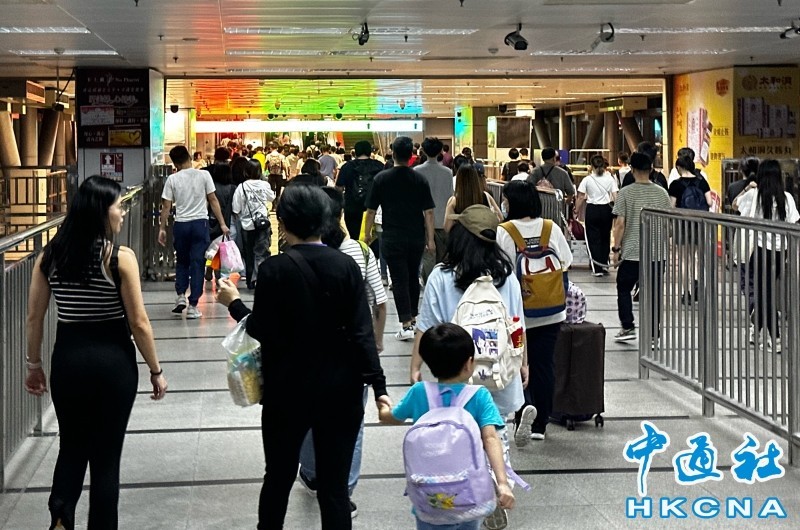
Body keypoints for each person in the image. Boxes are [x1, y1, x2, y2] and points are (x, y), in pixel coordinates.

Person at [216, 183, 388, 530]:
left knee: (278, 478)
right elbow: (362, 333)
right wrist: (379, 387)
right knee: (334, 488)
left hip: (286, 391)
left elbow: (261, 330)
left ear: (283, 222)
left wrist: (233, 303)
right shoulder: (346, 266)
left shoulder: (274, 269)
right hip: (341, 391)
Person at [25, 176, 167, 530]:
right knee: (106, 457)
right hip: (113, 363)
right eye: (118, 206)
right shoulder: (119, 258)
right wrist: (155, 370)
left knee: (71, 446)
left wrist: (34, 365)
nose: (123, 212)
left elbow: (34, 318)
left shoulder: (49, 257)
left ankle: (61, 517)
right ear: (101, 212)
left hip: (68, 360)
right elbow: (139, 322)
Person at [409, 205, 529, 527]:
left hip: (456, 375)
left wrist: (415, 365)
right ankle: (499, 483)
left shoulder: (441, 276)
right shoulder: (506, 277)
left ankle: (466, 487)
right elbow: (517, 324)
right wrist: (523, 363)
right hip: (498, 373)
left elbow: (426, 325)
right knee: (495, 433)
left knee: (458, 435)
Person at [297, 187, 388, 515]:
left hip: (307, 354)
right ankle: (344, 489)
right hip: (352, 352)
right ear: (341, 215)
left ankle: (311, 472)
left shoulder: (297, 254)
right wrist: (376, 342)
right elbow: (380, 301)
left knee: (308, 416)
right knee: (353, 425)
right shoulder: (360, 253)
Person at [379, 324, 515, 530]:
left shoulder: (419, 392)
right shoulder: (479, 396)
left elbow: (392, 418)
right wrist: (502, 483)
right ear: (469, 363)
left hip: (428, 494)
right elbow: (490, 439)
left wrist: (383, 408)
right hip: (469, 494)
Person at [497, 181, 572, 442]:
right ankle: (541, 423)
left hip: (518, 314)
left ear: (511, 203)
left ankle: (523, 410)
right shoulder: (551, 228)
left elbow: (502, 269)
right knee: (544, 364)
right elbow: (566, 261)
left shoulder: (505, 231)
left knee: (518, 361)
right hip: (551, 310)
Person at [362, 136, 436, 342]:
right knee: (413, 276)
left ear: (393, 153)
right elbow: (429, 212)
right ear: (411, 155)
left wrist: (366, 235)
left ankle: (406, 324)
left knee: (399, 278)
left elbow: (370, 210)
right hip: (416, 236)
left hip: (392, 236)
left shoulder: (381, 179)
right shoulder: (420, 179)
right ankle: (413, 317)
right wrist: (430, 239)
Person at [732, 159, 799, 352]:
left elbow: (735, 205)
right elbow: (794, 221)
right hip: (779, 254)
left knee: (765, 295)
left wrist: (746, 189)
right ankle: (757, 332)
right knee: (766, 293)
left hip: (760, 252)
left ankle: (774, 338)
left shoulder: (754, 195)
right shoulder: (787, 198)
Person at [159, 145, 229, 319]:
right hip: (200, 224)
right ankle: (193, 306)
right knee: (198, 263)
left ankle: (180, 295)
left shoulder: (172, 179)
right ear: (189, 157)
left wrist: (162, 228)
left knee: (182, 261)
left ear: (175, 163)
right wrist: (222, 224)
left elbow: (166, 206)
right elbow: (213, 200)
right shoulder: (204, 175)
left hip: (181, 225)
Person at [612, 152, 672, 342]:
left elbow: (620, 224)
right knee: (654, 293)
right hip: (657, 252)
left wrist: (616, 249)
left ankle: (628, 326)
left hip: (632, 252)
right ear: (651, 169)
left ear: (632, 169)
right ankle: (654, 334)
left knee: (624, 287)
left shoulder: (625, 192)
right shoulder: (662, 193)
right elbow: (668, 225)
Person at [668, 155, 714, 304]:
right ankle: (698, 288)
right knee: (698, 259)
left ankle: (686, 293)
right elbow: (710, 202)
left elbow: (671, 207)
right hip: (699, 224)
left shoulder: (675, 185)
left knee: (684, 260)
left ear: (679, 167)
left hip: (682, 225)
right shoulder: (702, 182)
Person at [414, 137, 454, 282]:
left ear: (423, 151)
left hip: (423, 221)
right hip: (443, 221)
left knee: (427, 257)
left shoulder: (417, 171)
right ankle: (442, 283)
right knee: (443, 258)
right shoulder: (447, 172)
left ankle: (429, 284)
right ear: (440, 151)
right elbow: (450, 197)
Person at [232, 158, 275, 290]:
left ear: (246, 171)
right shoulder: (264, 185)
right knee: (261, 252)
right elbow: (272, 197)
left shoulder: (242, 187)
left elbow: (236, 208)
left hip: (247, 225)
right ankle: (260, 278)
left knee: (249, 253)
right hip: (262, 223)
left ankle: (250, 280)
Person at [576, 154, 618, 276]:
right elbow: (615, 196)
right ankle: (604, 264)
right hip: (606, 210)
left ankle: (597, 268)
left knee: (593, 239)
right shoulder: (610, 179)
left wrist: (576, 210)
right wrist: (618, 211)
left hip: (592, 210)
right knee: (605, 237)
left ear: (591, 166)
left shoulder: (587, 180)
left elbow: (581, 197)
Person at [336, 140, 385, 240]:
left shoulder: (347, 166)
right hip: (375, 208)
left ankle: (357, 248)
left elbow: (338, 188)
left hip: (352, 207)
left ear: (356, 152)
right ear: (370, 151)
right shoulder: (380, 166)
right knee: (374, 240)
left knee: (355, 237)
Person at [444, 164, 502, 232]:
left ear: (459, 180)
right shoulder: (486, 196)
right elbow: (500, 218)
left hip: (463, 237)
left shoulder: (454, 201)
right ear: (475, 179)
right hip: (483, 236)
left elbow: (447, 227)